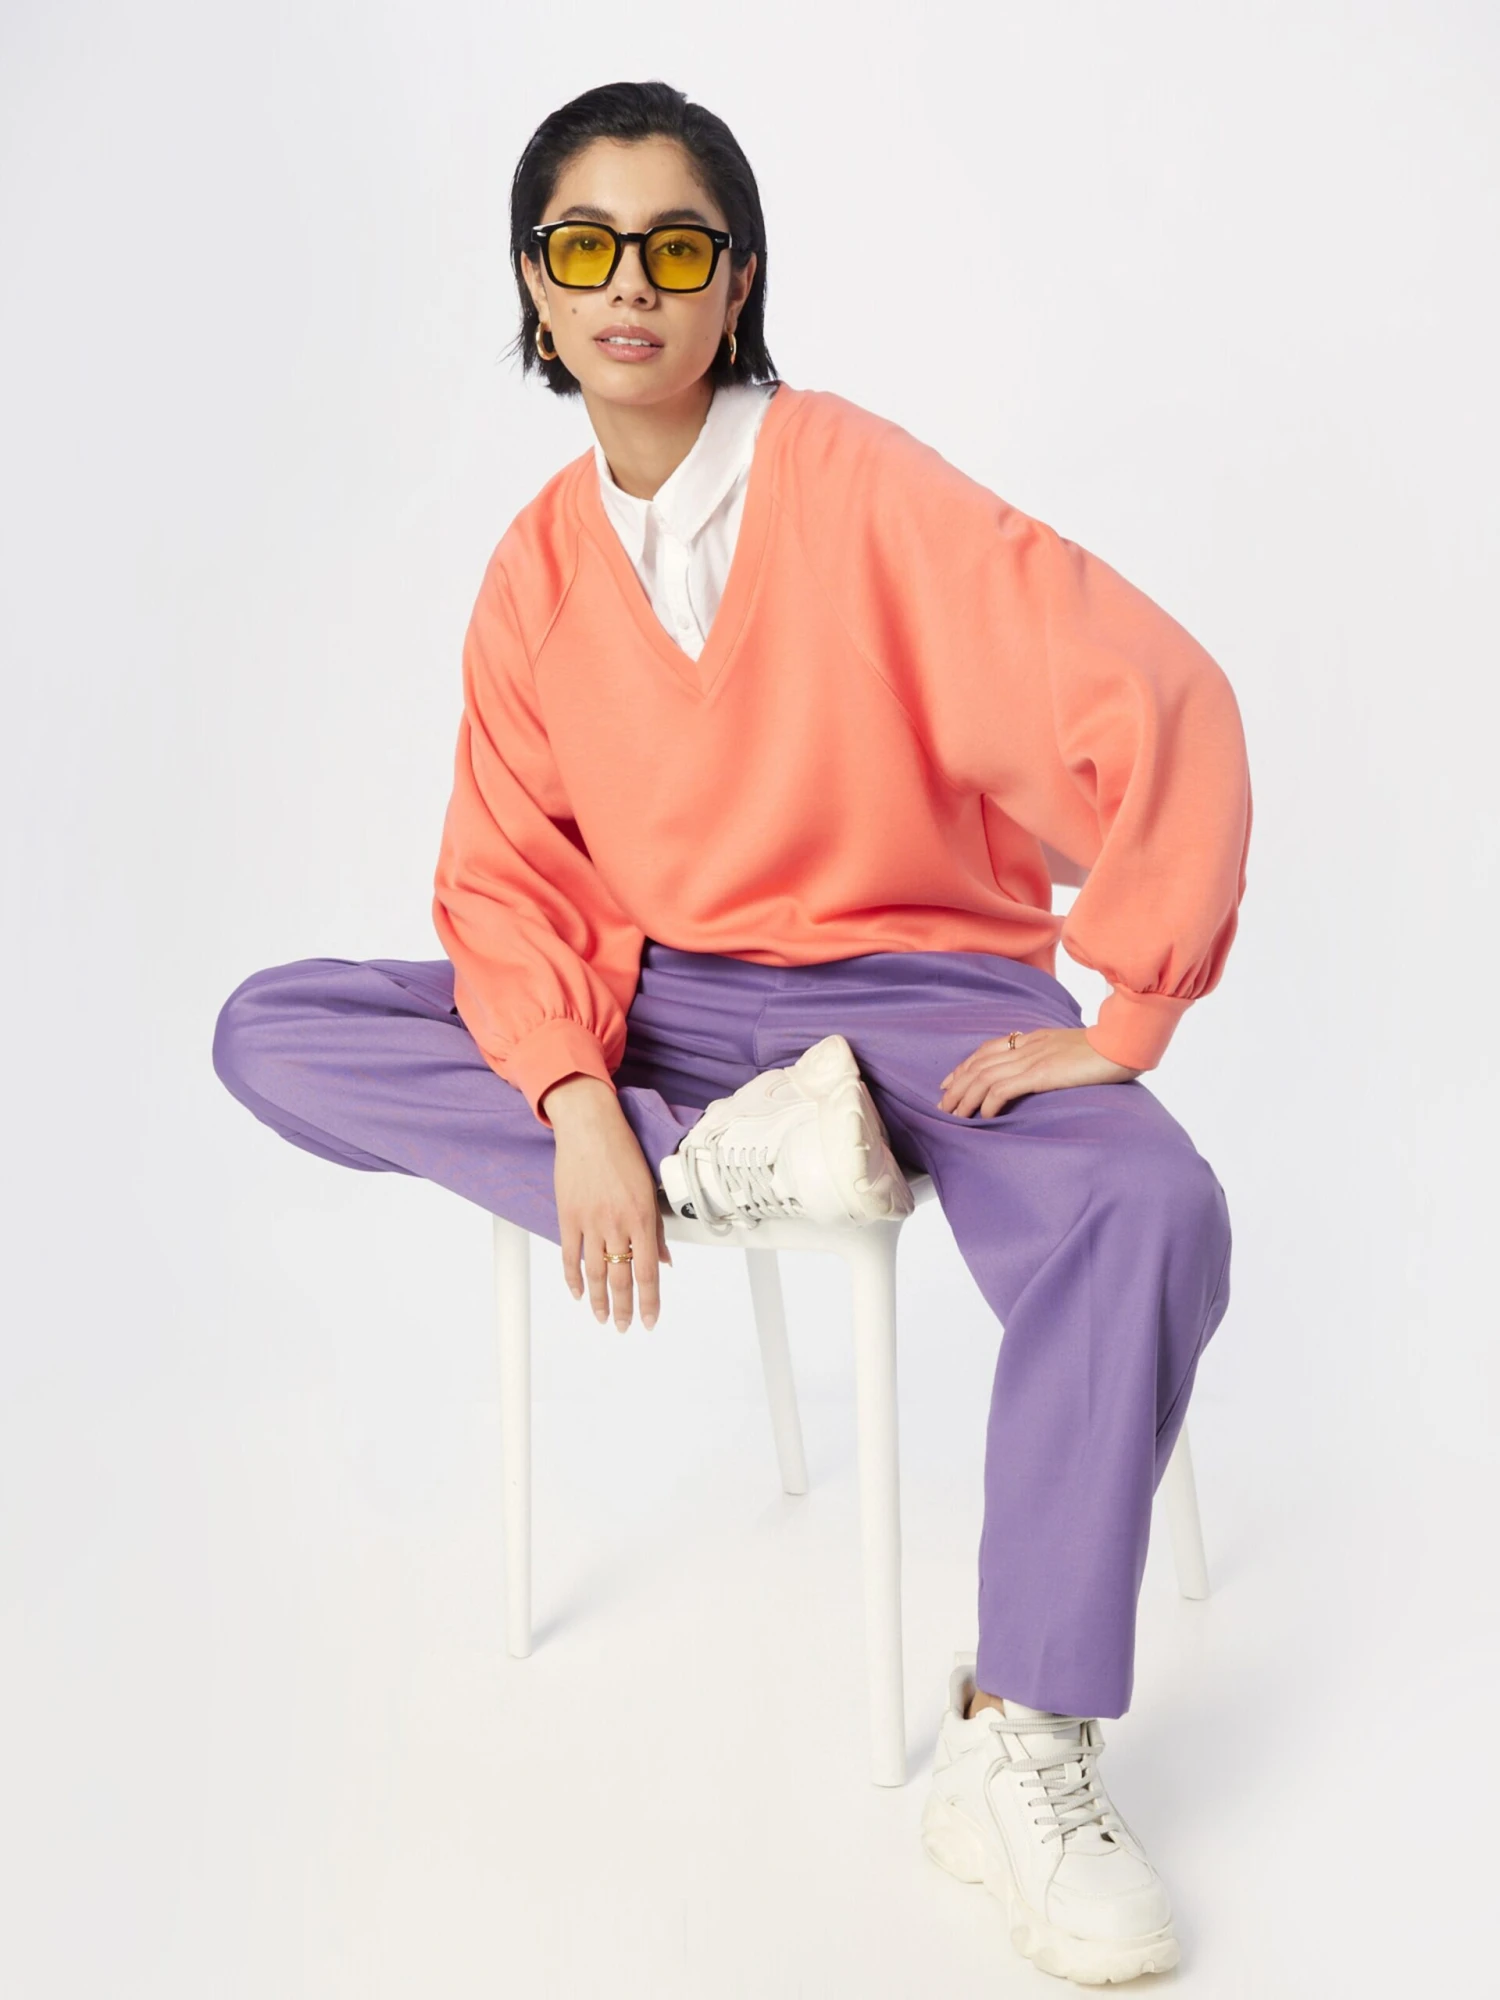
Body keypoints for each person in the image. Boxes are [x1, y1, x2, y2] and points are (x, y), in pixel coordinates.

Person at [212, 78, 1251, 1988]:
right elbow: (503, 878)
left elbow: (1148, 682)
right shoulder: (533, 571)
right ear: (536, 291)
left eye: (675, 248)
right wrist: (576, 1103)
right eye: (584, 248)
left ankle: (1019, 1734)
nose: (631, 285)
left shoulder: (851, 481)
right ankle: (725, 1155)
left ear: (735, 283)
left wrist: (1133, 1004)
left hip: (924, 992)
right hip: (674, 1013)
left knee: (1154, 1210)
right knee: (274, 1027)